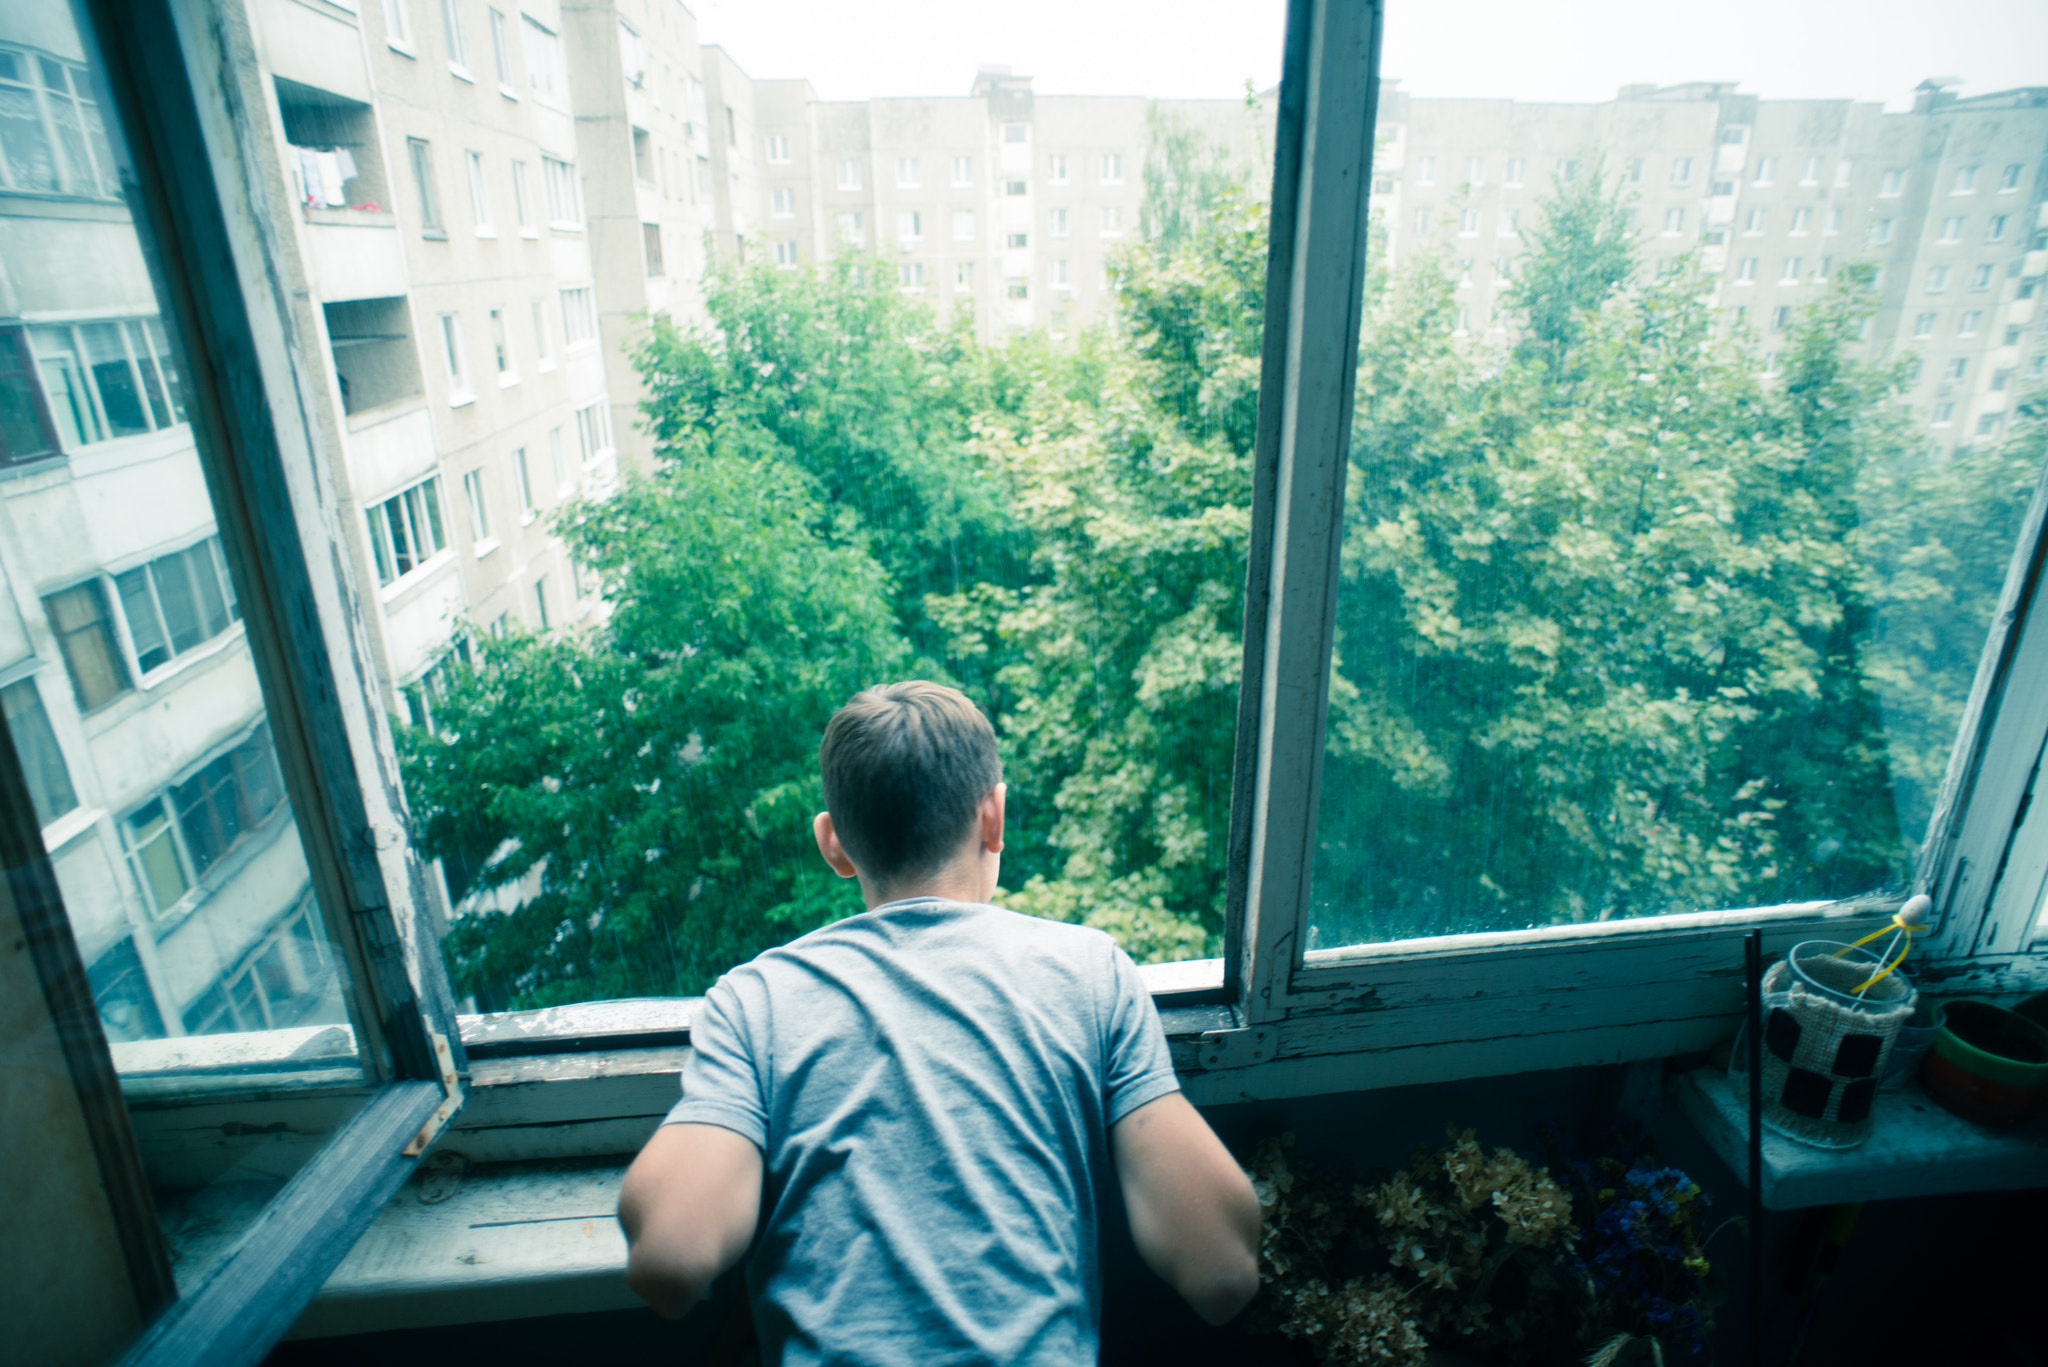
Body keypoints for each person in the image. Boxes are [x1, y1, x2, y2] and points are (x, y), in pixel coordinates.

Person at [617, 680, 1262, 1364]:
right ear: (994, 817)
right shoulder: (1089, 971)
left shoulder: (757, 1001)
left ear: (833, 844)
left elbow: (671, 1260)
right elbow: (1221, 1271)